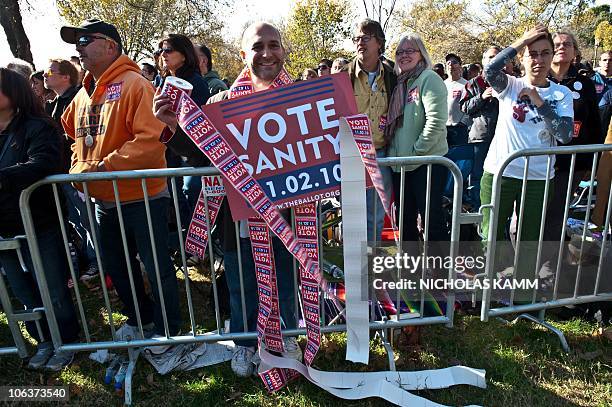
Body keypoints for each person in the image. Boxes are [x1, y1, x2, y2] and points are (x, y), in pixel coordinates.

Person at [153, 21, 300, 377]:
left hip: (287, 213)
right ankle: (246, 343)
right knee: (240, 278)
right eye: (257, 46)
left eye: (274, 44)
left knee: (284, 275)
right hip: (236, 215)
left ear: (283, 50)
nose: (266, 53)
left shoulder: (303, 96)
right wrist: (174, 123)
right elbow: (201, 153)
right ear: (242, 54)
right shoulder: (221, 102)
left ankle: (288, 335)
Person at [60, 19, 181, 346]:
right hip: (102, 202)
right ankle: (140, 320)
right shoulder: (83, 94)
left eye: (85, 39)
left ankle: (170, 329)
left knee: (157, 269)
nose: (78, 47)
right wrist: (79, 167)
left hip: (143, 198)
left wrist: (98, 169)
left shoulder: (135, 85)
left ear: (111, 46)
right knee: (118, 267)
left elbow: (151, 141)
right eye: (77, 41)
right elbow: (73, 137)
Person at [0, 67, 80, 370]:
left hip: (38, 222)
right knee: (22, 289)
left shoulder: (38, 126)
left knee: (52, 286)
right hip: (4, 226)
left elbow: (43, 163)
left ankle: (66, 342)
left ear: (12, 91)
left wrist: (2, 178)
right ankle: (43, 340)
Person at [480, 25, 573, 282]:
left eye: (545, 53)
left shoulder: (560, 93)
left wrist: (538, 101)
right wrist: (522, 40)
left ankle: (522, 292)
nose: (539, 60)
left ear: (553, 56)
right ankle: (494, 288)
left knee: (530, 238)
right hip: (500, 172)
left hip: (538, 178)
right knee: (491, 233)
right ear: (522, 57)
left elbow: (565, 135)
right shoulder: (509, 85)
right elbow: (490, 70)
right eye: (533, 53)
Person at [385, 32, 449, 245]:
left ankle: (439, 276)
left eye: (410, 50)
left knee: (433, 223)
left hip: (425, 163)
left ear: (421, 54)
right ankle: (411, 274)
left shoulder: (429, 78)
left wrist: (417, 151)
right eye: (400, 52)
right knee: (406, 223)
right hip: (401, 166)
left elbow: (436, 121)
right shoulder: (400, 84)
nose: (404, 55)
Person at [43, 58, 99, 282]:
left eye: (50, 71)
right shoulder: (55, 102)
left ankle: (99, 263)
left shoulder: (76, 98)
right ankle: (91, 259)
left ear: (66, 76)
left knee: (89, 220)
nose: (45, 75)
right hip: (64, 171)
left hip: (76, 169)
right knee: (79, 221)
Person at [544, 31, 601, 246]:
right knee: (530, 215)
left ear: (575, 51)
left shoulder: (584, 84)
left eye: (567, 44)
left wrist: (591, 162)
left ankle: (548, 269)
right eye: (556, 44)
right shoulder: (537, 79)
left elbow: (594, 125)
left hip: (571, 163)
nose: (561, 47)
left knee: (556, 213)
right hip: (536, 160)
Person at [344, 18, 396, 241]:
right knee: (351, 215)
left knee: (375, 217)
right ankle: (354, 267)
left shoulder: (393, 76)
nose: (359, 42)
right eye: (357, 38)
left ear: (379, 43)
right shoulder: (343, 76)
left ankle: (370, 262)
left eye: (365, 38)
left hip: (380, 155)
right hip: (350, 157)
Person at [157, 34, 211, 225]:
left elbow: (203, 124)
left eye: (168, 50)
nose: (163, 54)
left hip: (194, 157)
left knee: (191, 197)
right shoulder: (163, 82)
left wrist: (175, 121)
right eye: (161, 50)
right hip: (171, 155)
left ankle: (199, 247)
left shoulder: (196, 82)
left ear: (184, 55)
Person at [459, 46, 504, 209]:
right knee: (478, 177)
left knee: (502, 178)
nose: (494, 60)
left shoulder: (510, 82)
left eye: (498, 57)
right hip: (480, 137)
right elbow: (464, 107)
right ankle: (479, 214)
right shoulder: (473, 83)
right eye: (490, 57)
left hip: (504, 138)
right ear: (483, 61)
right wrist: (482, 97)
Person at [444, 53, 470, 147]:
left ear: (460, 66)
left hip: (459, 128)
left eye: (454, 62)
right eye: (448, 63)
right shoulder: (441, 85)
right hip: (443, 128)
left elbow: (470, 106)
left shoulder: (467, 84)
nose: (451, 65)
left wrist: (463, 123)